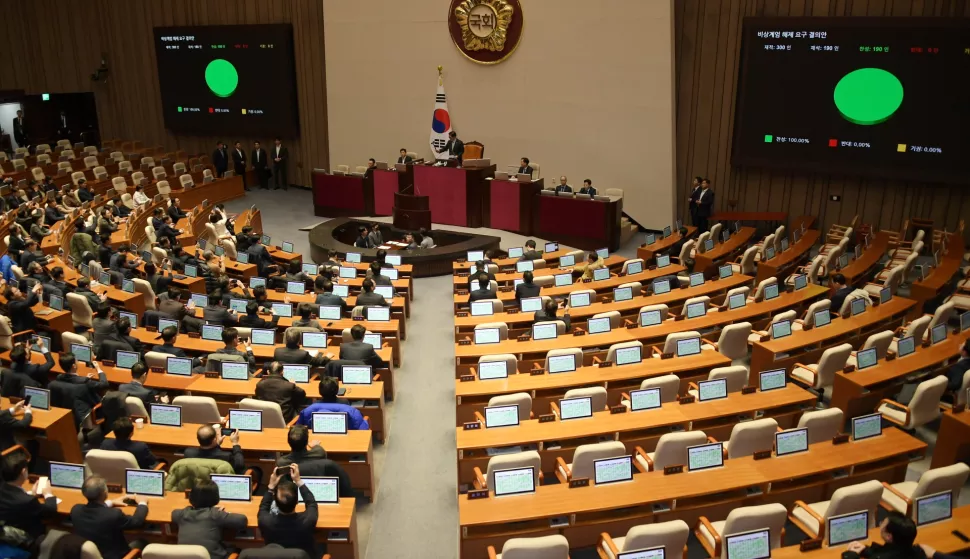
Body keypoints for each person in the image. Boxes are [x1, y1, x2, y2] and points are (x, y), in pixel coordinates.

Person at [70, 475, 149, 559]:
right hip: (118, 556)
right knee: (142, 542)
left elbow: (96, 510)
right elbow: (137, 522)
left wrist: (110, 502)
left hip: (88, 555)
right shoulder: (113, 514)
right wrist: (142, 503)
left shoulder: (75, 510)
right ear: (105, 493)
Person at [170, 478, 248, 559]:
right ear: (216, 498)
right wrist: (224, 513)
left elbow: (174, 513)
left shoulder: (182, 514)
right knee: (237, 550)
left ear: (191, 497)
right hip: (213, 557)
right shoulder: (215, 514)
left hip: (185, 557)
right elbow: (242, 520)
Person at [258, 463, 321, 558]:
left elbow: (263, 507)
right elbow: (311, 503)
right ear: (297, 501)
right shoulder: (308, 520)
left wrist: (271, 486)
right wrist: (298, 481)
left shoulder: (265, 521)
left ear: (275, 503)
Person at [277, 425, 353, 497]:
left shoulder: (282, 463)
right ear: (307, 442)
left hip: (294, 495)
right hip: (319, 490)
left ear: (288, 442)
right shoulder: (319, 452)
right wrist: (316, 445)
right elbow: (318, 450)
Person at [0, 448, 58, 541]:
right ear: (23, 472)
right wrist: (48, 494)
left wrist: (31, 494)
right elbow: (49, 512)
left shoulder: (2, 487)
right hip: (24, 538)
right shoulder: (28, 501)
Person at [49, 353, 109, 429]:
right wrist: (98, 369)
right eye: (77, 361)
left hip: (66, 412)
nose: (78, 362)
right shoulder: (84, 383)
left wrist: (84, 378)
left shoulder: (59, 377)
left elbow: (72, 382)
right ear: (74, 366)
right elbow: (104, 384)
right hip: (84, 414)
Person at [298, 377, 369, 431]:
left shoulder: (310, 408)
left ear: (319, 391)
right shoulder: (346, 405)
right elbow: (360, 425)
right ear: (337, 390)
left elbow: (299, 427)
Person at [845, 512, 922, 559]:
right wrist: (865, 550)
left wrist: (850, 555)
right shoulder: (917, 552)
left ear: (889, 536)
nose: (880, 525)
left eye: (882, 524)